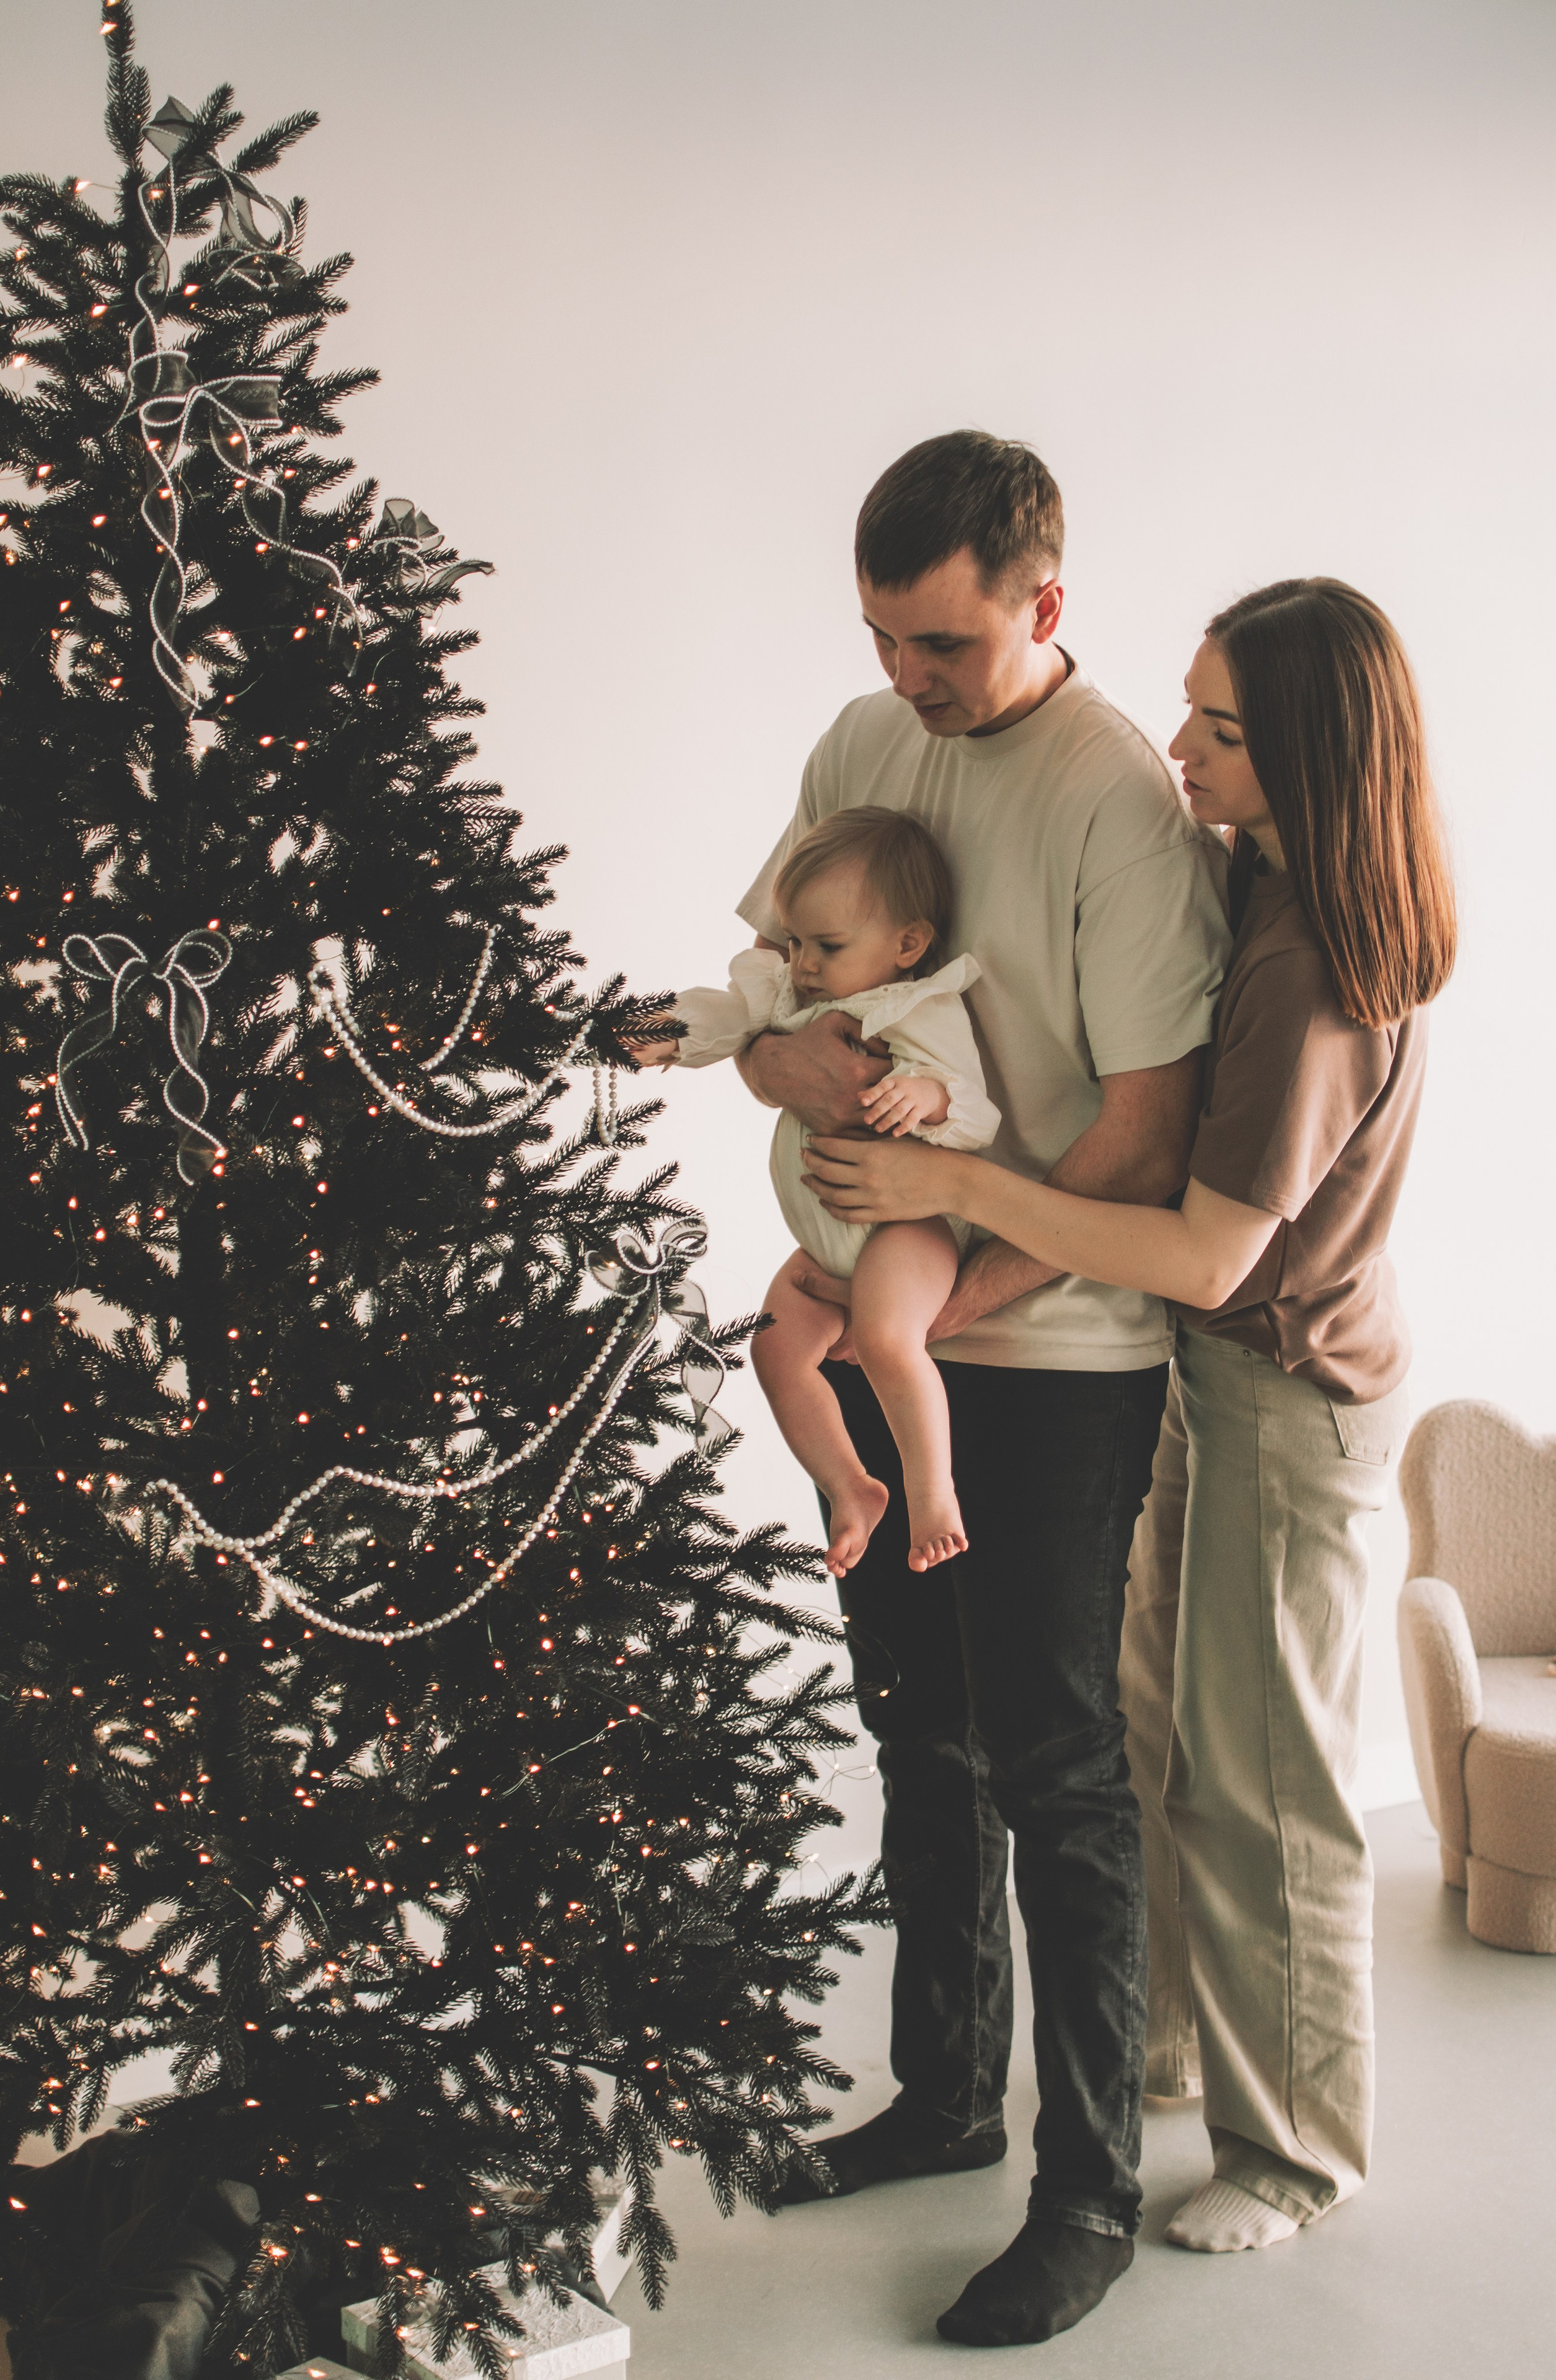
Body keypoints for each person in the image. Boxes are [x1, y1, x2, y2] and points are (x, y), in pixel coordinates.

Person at [802, 577, 1456, 2270]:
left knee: (1269, 1788)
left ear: (1310, 755)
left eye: (1225, 731)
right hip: (1205, 1375)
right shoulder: (1258, 878)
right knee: (1157, 1737)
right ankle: (1165, 2047)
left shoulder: (1315, 967)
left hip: (1292, 1402)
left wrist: (954, 1191)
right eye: (1187, 707)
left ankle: (1298, 2151)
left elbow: (1202, 1238)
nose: (1180, 748)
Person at [732, 431, 1231, 2348]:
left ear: (1041, 601)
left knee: (1054, 1761)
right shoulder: (864, 752)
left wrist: (947, 1306)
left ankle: (1085, 2185)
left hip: (1056, 1348)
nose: (904, 684)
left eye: (939, 644)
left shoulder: (1116, 803)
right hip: (887, 1320)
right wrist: (787, 1076)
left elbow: (1135, 1133)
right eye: (878, 635)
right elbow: (776, 999)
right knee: (916, 1741)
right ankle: (940, 2101)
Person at [628, 806, 1001, 1576]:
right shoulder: (792, 999)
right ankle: (849, 1485)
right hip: (825, 1234)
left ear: (909, 943)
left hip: (909, 1229)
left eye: (827, 947)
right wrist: (671, 1031)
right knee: (773, 1344)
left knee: (891, 1339)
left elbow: (976, 1113)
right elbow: (731, 1015)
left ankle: (933, 1494)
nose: (802, 965)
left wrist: (927, 1096)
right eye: (795, 943)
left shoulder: (917, 1007)